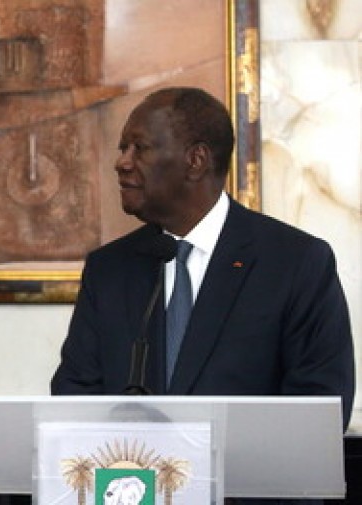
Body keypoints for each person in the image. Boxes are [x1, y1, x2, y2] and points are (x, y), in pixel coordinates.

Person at [50, 87, 354, 504]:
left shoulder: (296, 262)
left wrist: (195, 465)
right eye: (123, 148)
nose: (121, 163)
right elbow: (73, 398)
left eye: (139, 148)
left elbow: (320, 410)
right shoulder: (110, 269)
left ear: (196, 161)